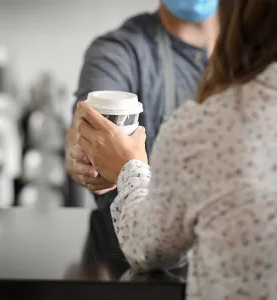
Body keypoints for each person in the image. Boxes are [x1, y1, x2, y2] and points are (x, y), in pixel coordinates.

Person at [76, 0, 277, 299]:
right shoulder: (121, 48)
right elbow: (81, 127)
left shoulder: (198, 127)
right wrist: (81, 153)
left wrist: (127, 169)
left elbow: (149, 245)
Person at [66, 0, 219, 208]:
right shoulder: (118, 51)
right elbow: (87, 128)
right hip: (128, 237)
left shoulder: (259, 51)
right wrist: (89, 160)